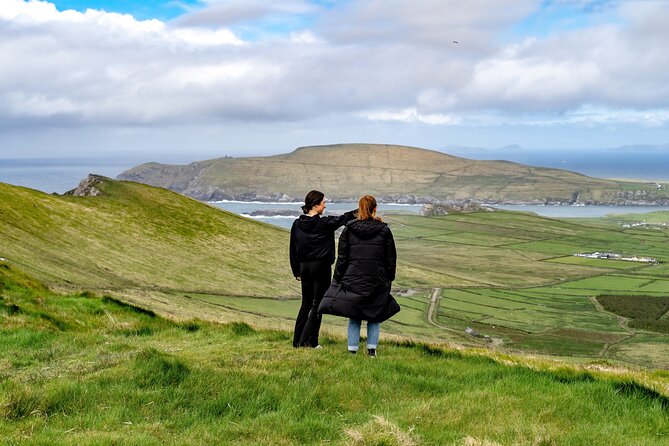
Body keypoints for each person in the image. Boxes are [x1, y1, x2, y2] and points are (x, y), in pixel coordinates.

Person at [318, 195, 400, 357]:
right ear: (375, 209)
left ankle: (352, 350)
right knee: (374, 315)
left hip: (352, 279)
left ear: (359, 209)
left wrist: (338, 279)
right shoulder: (384, 231)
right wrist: (389, 277)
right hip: (377, 280)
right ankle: (371, 351)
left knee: (354, 315)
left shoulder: (348, 230)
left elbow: (342, 258)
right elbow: (391, 259)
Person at [290, 190, 357, 348]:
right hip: (321, 268)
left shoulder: (297, 224)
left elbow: (293, 249)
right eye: (323, 202)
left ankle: (298, 341)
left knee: (305, 304)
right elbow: (343, 219)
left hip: (304, 267)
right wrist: (359, 211)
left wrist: (296, 271)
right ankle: (307, 342)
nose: (325, 205)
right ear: (315, 205)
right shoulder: (324, 223)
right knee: (318, 305)